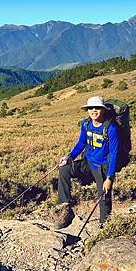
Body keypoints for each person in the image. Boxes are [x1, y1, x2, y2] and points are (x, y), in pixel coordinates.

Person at [53, 96, 119, 229]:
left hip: (102, 167)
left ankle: (105, 225)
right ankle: (66, 208)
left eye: (97, 108)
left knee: (104, 197)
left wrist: (109, 177)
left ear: (103, 110)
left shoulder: (111, 128)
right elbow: (81, 144)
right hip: (88, 162)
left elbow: (114, 153)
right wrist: (69, 157)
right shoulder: (86, 124)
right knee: (64, 169)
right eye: (91, 108)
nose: (94, 111)